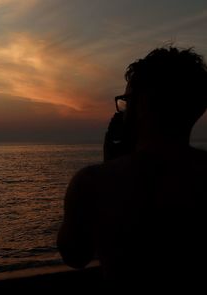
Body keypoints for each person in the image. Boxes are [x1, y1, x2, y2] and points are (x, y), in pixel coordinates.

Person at [57, 46, 207, 290]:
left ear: (142, 105)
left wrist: (109, 169)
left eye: (127, 101)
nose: (123, 112)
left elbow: (75, 256)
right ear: (199, 109)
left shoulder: (92, 183)